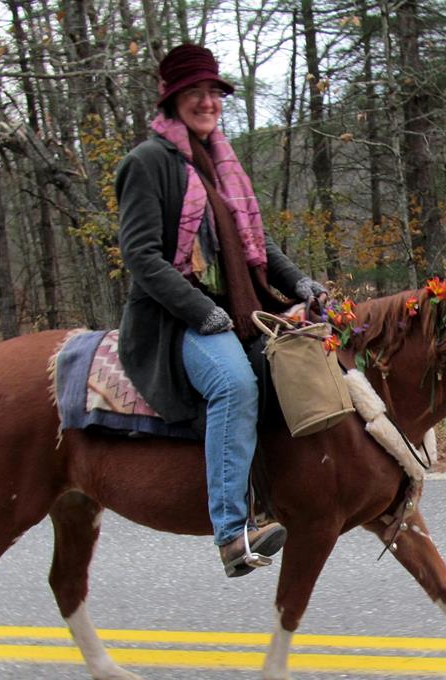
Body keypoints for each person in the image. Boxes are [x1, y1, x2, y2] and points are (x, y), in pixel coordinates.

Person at [114, 44, 327, 577]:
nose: (207, 102)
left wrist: (299, 283)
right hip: (172, 319)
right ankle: (233, 532)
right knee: (234, 384)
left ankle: (290, 495)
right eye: (195, 93)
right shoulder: (147, 163)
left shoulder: (221, 163)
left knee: (300, 362)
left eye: (214, 92)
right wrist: (199, 311)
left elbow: (255, 242)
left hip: (235, 306)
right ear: (172, 101)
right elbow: (140, 256)